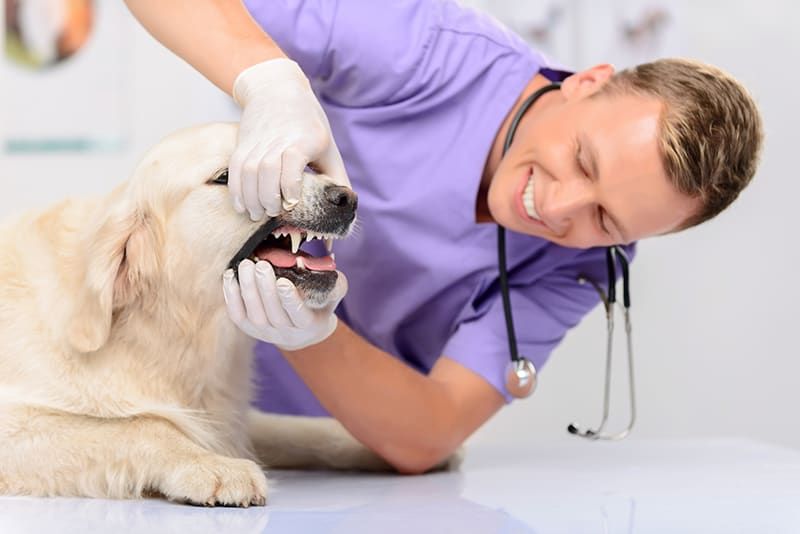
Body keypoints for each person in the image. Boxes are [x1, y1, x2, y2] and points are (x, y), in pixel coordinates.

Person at [123, 0, 763, 474]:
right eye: (585, 160)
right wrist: (267, 80)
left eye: (607, 220)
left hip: (290, 456)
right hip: (145, 364)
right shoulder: (425, 48)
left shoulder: (591, 261)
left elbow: (431, 431)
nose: (559, 208)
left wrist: (310, 331)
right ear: (587, 82)